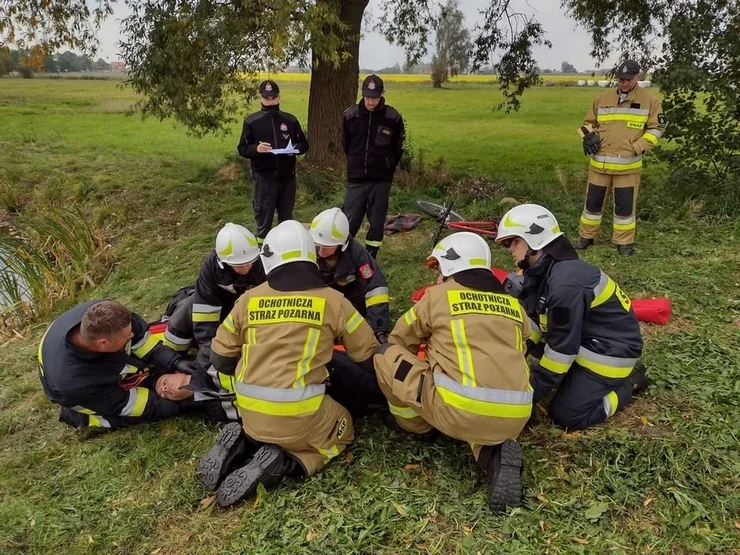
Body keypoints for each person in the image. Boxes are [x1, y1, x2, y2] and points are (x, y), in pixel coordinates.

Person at [196, 220, 378, 507]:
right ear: (312, 257)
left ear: (268, 260)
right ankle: (290, 463)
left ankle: (247, 441)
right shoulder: (335, 301)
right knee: (344, 427)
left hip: (249, 414)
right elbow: (366, 356)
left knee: (267, 418)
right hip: (301, 419)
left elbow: (220, 358)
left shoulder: (247, 300)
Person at [374, 232, 532, 513]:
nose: (436, 278)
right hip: (516, 416)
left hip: (457, 411)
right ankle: (493, 457)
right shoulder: (514, 305)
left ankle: (416, 426)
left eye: (438, 271)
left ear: (449, 268)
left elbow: (401, 339)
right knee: (478, 406)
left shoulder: (437, 297)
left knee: (386, 355)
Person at [495, 203, 649, 431]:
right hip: (586, 339)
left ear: (535, 238)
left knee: (566, 416)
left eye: (514, 241)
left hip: (609, 353)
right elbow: (538, 320)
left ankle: (631, 382)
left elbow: (561, 351)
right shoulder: (545, 271)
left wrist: (530, 393)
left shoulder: (566, 284)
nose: (510, 250)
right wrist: (519, 347)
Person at [38, 299, 195, 430]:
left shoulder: (105, 313)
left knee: (140, 363)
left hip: (86, 361)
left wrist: (174, 360)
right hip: (76, 393)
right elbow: (127, 403)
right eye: (127, 336)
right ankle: (81, 417)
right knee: (129, 415)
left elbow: (141, 337)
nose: (132, 335)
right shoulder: (74, 381)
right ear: (103, 344)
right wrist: (179, 406)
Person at [163, 223, 266, 421]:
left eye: (249, 262)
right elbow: (204, 318)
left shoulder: (265, 261)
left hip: (256, 311)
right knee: (186, 309)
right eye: (238, 265)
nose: (245, 268)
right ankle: (169, 355)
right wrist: (209, 355)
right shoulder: (211, 267)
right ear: (223, 261)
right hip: (224, 309)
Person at [577, 59, 665, 255]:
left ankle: (624, 243)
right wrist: (588, 135)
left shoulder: (650, 100)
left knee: (625, 207)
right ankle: (587, 237)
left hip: (628, 167)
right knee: (592, 204)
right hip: (599, 164)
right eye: (621, 79)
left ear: (638, 77)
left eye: (628, 79)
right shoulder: (603, 98)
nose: (624, 83)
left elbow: (657, 128)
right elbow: (587, 123)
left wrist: (638, 147)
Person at [237, 80, 309, 243]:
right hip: (264, 178)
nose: (270, 101)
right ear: (260, 98)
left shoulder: (290, 120)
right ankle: (262, 254)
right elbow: (242, 148)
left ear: (279, 97)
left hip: (287, 178)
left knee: (286, 221)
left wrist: (294, 149)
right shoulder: (252, 121)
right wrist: (257, 149)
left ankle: (285, 252)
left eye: (273, 98)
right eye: (267, 98)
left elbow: (304, 144)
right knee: (264, 221)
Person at [342, 74, 405, 258]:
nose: (370, 101)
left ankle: (371, 256)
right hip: (356, 179)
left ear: (382, 94)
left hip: (381, 180)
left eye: (374, 97)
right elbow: (346, 144)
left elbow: (398, 148)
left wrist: (387, 166)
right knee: (350, 220)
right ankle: (347, 255)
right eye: (367, 97)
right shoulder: (350, 115)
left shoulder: (392, 118)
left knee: (377, 222)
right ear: (362, 94)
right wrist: (356, 162)